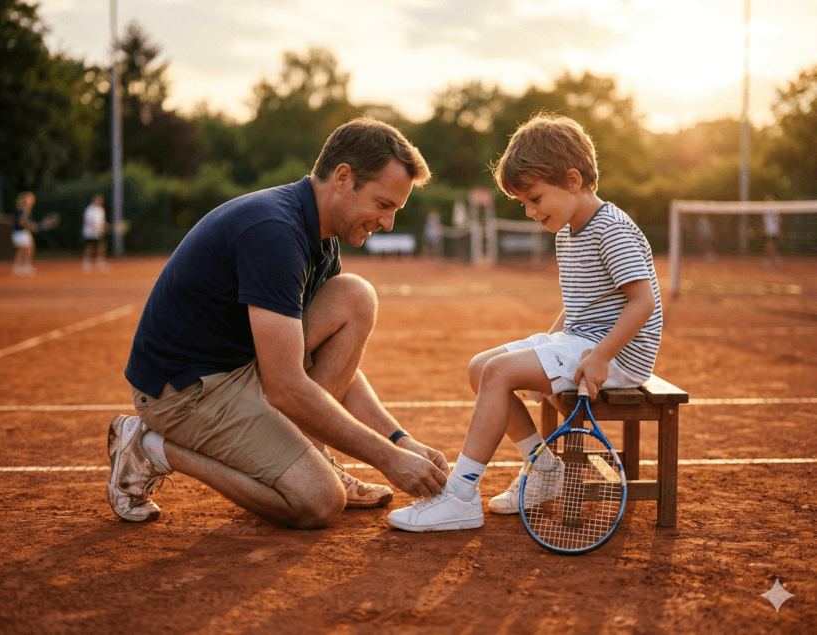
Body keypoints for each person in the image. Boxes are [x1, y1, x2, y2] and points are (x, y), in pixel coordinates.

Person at [107, 116, 449, 527]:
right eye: (383, 205)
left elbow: (333, 363)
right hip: (183, 391)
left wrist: (400, 440)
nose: (388, 223)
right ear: (343, 178)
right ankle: (149, 447)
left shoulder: (322, 238)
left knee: (354, 297)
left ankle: (311, 455)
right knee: (320, 501)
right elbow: (285, 385)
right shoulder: (275, 233)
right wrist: (388, 459)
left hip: (240, 367)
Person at [387, 113, 662, 532]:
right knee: (481, 368)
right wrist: (544, 352)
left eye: (535, 198)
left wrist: (601, 358)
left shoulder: (611, 229)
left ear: (573, 180)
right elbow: (579, 306)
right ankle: (544, 468)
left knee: (499, 372)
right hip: (583, 341)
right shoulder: (568, 231)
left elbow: (643, 302)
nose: (531, 211)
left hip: (619, 356)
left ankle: (460, 495)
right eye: (524, 203)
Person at [11, 191, 38, 277]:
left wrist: (32, 226)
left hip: (25, 232)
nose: (31, 200)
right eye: (29, 199)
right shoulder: (21, 210)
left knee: (30, 248)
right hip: (19, 233)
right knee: (22, 250)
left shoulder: (28, 210)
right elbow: (21, 222)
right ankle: (16, 267)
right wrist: (32, 226)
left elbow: (26, 222)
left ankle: (26, 266)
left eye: (32, 199)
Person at [82, 194, 108, 272]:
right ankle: (86, 262)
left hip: (99, 233)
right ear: (94, 200)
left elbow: (102, 221)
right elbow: (88, 221)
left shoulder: (101, 210)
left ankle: (99, 262)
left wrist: (104, 226)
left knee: (101, 246)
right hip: (89, 232)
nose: (100, 201)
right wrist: (96, 228)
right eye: (98, 200)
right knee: (89, 247)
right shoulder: (89, 209)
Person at [762, 199, 783, 268]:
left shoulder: (776, 211)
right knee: (770, 245)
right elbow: (764, 221)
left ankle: (774, 259)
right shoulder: (766, 211)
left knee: (770, 245)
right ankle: (774, 259)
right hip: (769, 230)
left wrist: (780, 231)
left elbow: (779, 221)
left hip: (774, 230)